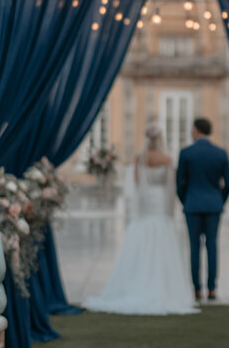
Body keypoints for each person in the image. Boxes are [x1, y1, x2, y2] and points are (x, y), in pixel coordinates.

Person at [83, 124, 197, 315]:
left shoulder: (139, 158)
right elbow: (170, 188)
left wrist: (138, 208)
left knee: (141, 241)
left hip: (146, 204)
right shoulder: (167, 159)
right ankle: (162, 287)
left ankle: (136, 284)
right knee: (162, 242)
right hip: (160, 202)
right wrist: (171, 212)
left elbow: (136, 184)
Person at [176, 117, 229, 303]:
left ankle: (197, 290)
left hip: (192, 205)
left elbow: (180, 183)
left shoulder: (186, 153)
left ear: (197, 130)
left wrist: (186, 200)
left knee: (194, 248)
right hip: (214, 205)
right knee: (212, 246)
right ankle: (212, 289)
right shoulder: (220, 153)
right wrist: (219, 200)